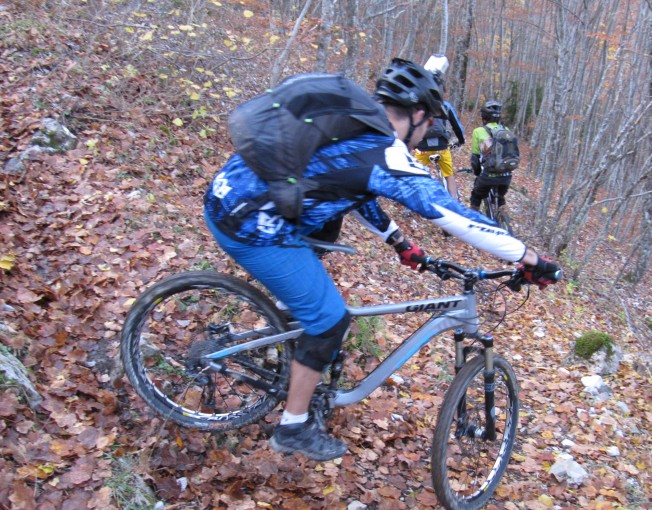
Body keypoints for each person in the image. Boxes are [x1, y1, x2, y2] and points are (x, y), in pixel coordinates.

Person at [203, 59, 561, 461]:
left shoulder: (361, 128)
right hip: (252, 224)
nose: (426, 136)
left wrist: (399, 242)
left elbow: (352, 191)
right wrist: (530, 257)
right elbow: (453, 215)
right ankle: (293, 426)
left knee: (316, 297)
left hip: (233, 197)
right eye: (429, 127)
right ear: (419, 115)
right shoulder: (385, 151)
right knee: (329, 319)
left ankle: (286, 338)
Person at [414, 59, 466, 199]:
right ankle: (454, 202)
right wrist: (460, 141)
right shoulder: (446, 106)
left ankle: (414, 204)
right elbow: (457, 127)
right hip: (442, 147)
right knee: (449, 176)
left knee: (417, 174)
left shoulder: (419, 105)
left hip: (423, 147)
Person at [469, 100, 512, 215]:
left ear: (483, 117)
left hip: (489, 175)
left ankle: (473, 221)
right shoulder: (506, 131)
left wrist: (477, 173)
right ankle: (504, 220)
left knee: (476, 196)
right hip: (506, 176)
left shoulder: (478, 131)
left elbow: (475, 159)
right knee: (500, 196)